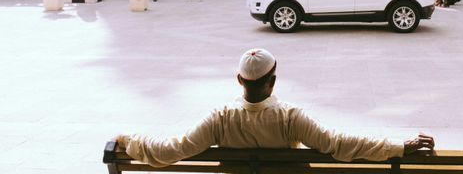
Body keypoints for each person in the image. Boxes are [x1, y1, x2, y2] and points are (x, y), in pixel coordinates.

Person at [114, 48, 435, 169]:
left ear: (239, 80)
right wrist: (398, 147)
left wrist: (130, 142)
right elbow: (338, 144)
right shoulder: (290, 118)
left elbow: (174, 149)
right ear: (274, 81)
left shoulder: (219, 118)